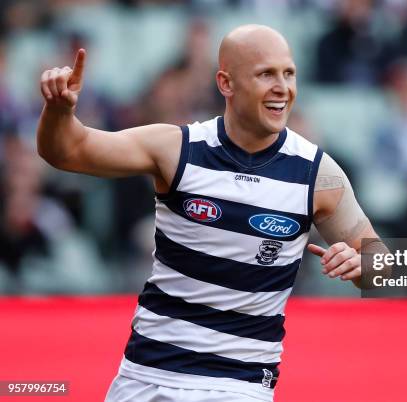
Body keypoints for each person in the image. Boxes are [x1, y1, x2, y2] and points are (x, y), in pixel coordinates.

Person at [37, 24, 386, 402]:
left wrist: (363, 266)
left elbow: (386, 266)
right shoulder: (177, 149)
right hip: (147, 377)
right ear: (226, 83)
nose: (282, 87)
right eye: (265, 73)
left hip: (239, 386)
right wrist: (58, 111)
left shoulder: (318, 174)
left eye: (289, 73)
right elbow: (67, 152)